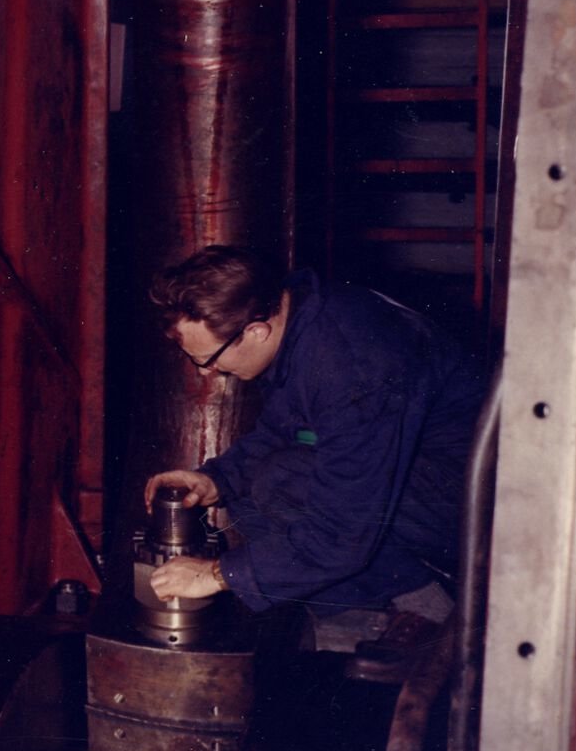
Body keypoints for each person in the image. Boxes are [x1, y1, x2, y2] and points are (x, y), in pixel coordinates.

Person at [143, 245, 484, 617]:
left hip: (475, 507)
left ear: (256, 330)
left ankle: (427, 612)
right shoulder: (302, 319)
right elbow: (281, 430)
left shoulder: (349, 364)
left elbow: (340, 531)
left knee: (283, 484)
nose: (206, 372)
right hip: (425, 479)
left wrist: (217, 575)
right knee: (250, 489)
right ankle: (363, 606)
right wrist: (216, 480)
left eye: (207, 359)